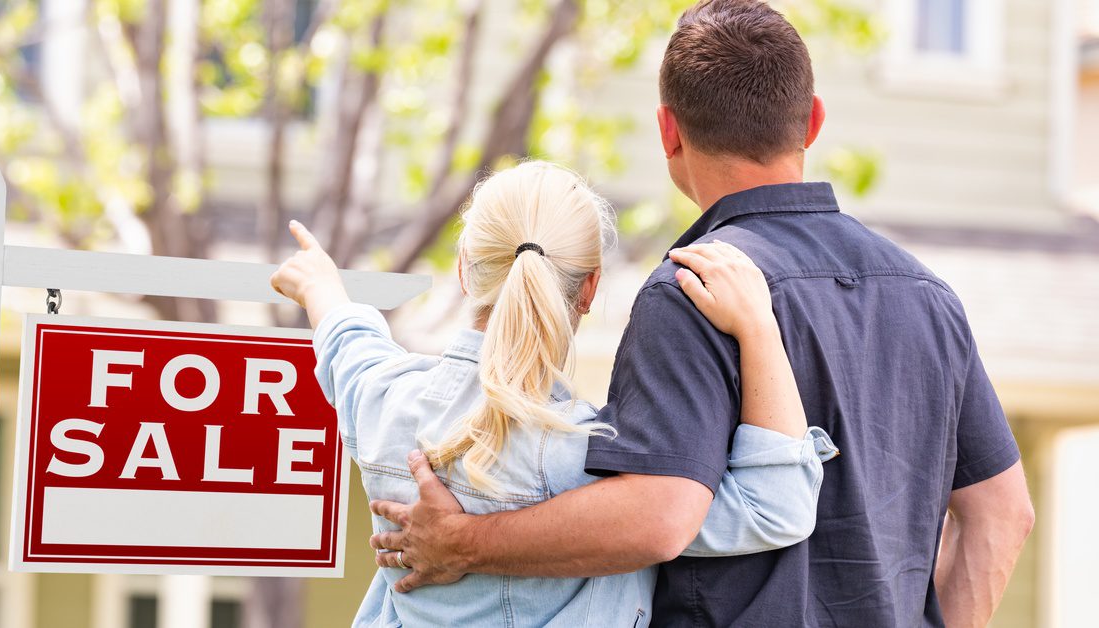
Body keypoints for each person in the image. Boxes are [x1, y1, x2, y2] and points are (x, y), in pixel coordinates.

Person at [366, 2, 1036, 627]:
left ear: (668, 131)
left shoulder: (689, 291)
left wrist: (466, 542)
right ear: (813, 122)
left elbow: (657, 517)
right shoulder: (927, 297)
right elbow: (1003, 515)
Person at [270, 160, 839, 626]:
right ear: (589, 288)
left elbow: (349, 345)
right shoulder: (597, 465)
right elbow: (774, 506)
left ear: (464, 271)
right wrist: (758, 327)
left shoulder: (385, 402)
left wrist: (321, 287)